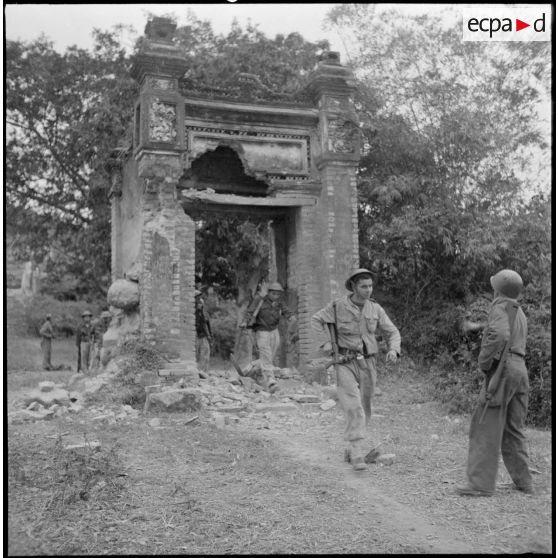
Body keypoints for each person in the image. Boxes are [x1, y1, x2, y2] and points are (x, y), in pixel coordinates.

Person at [311, 269, 401, 471]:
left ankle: (352, 446)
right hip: (345, 361)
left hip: (368, 363)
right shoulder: (337, 306)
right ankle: (356, 449)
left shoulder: (375, 309)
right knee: (353, 405)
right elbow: (316, 320)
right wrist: (325, 343)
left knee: (366, 405)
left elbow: (392, 331)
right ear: (353, 286)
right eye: (363, 286)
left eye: (370, 286)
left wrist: (394, 349)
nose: (368, 290)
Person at [456, 269, 534, 497]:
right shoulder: (518, 311)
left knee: (485, 424)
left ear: (497, 289)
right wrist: (479, 327)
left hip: (504, 369)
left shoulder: (499, 306)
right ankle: (524, 482)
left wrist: (485, 362)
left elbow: (500, 334)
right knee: (514, 428)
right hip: (520, 369)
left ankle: (479, 484)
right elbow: (505, 331)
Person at [240, 282, 294, 393]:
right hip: (262, 331)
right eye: (273, 294)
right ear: (269, 293)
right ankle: (270, 380)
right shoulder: (260, 301)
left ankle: (254, 369)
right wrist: (245, 322)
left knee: (270, 355)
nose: (276, 296)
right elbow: (249, 312)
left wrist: (291, 317)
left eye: (278, 294)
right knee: (266, 354)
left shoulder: (279, 303)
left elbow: (286, 312)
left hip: (274, 331)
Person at [195, 290, 212, 374]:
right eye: (198, 303)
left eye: (201, 303)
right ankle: (199, 370)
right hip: (197, 335)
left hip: (203, 336)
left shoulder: (204, 314)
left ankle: (204, 371)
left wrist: (209, 336)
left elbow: (207, 326)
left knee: (205, 353)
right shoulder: (194, 314)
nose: (199, 304)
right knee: (198, 353)